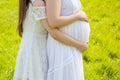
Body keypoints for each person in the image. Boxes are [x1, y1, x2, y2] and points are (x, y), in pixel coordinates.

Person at [13, 0, 89, 80]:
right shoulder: (38, 3)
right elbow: (53, 32)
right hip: (36, 51)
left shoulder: (31, 2)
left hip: (31, 48)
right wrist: (77, 17)